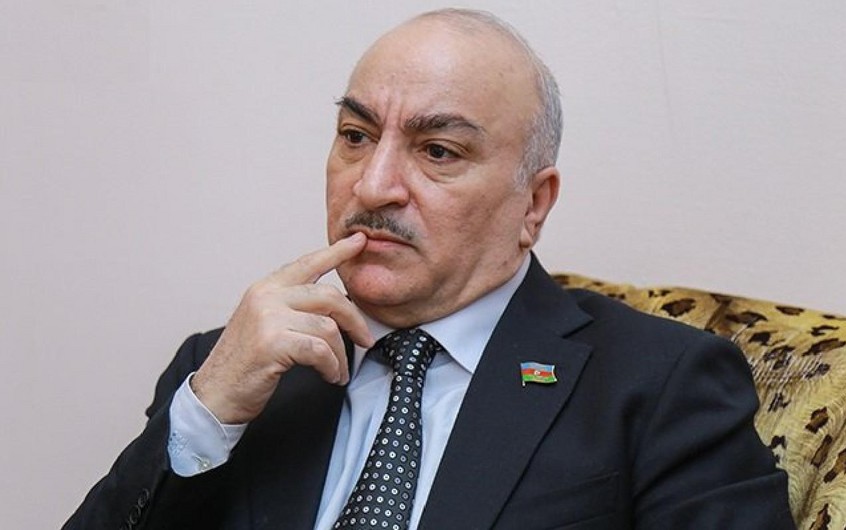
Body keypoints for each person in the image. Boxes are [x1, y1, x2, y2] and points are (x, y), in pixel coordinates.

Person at [64, 8, 795, 530]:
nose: (373, 184)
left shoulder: (658, 383)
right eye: (356, 136)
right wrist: (206, 412)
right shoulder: (230, 370)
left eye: (438, 151)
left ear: (533, 204)